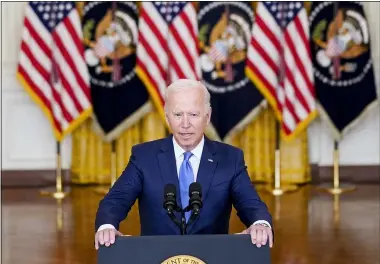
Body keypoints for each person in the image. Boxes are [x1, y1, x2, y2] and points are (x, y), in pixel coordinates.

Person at [94, 79, 273, 250]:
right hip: (158, 256)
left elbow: (251, 204)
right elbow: (115, 201)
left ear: (207, 116)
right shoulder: (144, 156)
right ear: (167, 117)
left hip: (210, 256)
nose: (185, 124)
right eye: (178, 114)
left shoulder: (230, 158)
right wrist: (107, 226)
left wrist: (260, 224)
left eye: (193, 114)